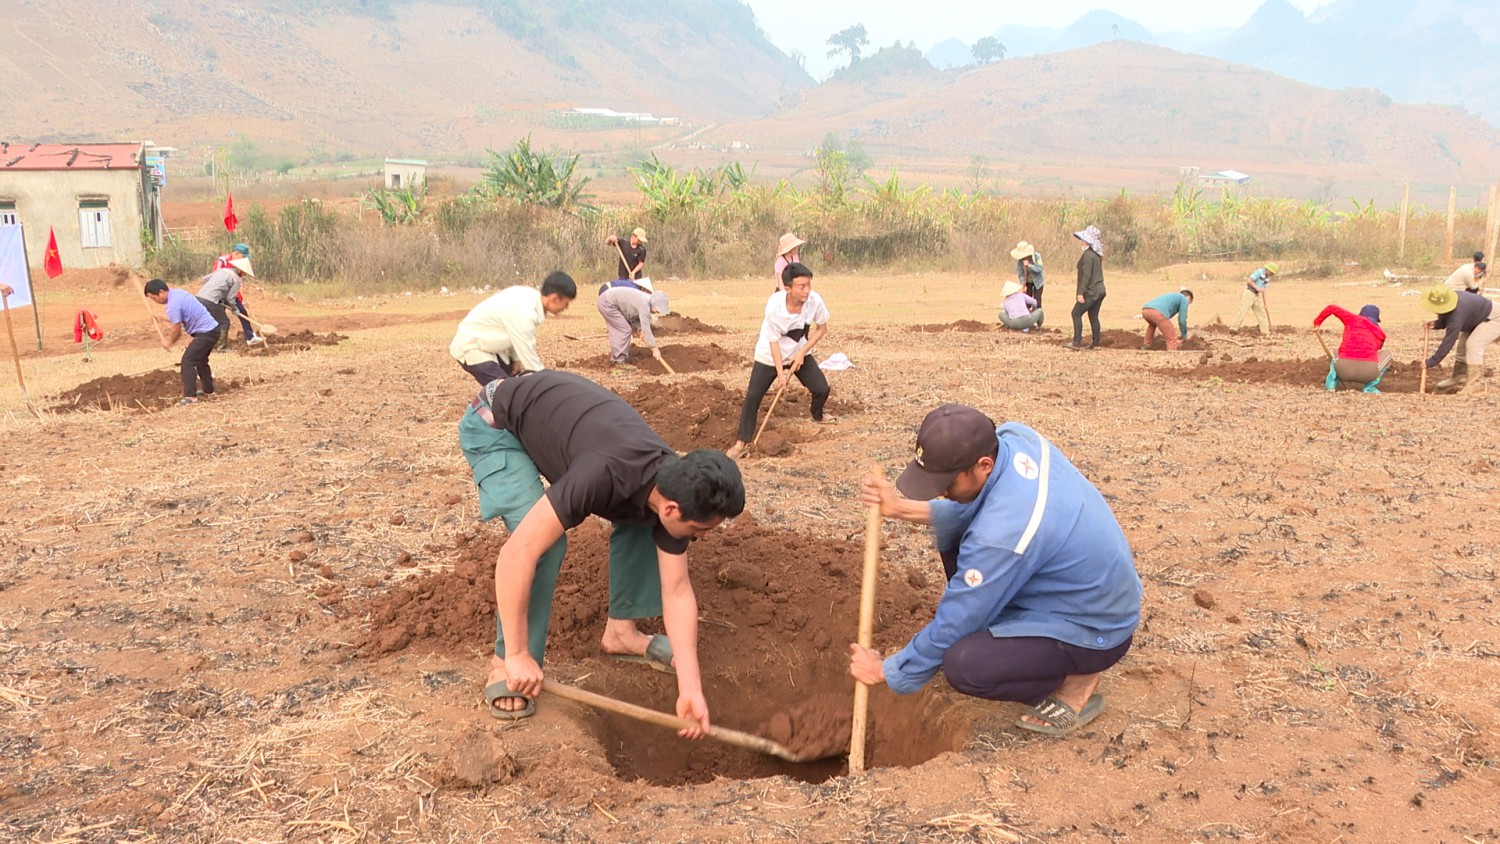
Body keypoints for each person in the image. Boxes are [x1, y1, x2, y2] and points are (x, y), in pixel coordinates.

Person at [459, 370, 745, 727]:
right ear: (675, 509)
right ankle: (507, 660)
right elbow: (517, 554)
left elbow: (677, 590)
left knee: (643, 513)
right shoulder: (603, 472)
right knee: (543, 544)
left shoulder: (672, 482)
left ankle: (621, 633)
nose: (701, 537)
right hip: (495, 426)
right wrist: (517, 654)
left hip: (562, 425)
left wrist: (691, 688)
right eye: (701, 529)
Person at [849, 403, 1141, 736]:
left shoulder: (1003, 533)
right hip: (1089, 588)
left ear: (984, 465)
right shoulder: (1015, 437)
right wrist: (900, 508)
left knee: (966, 666)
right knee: (961, 538)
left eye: (946, 482)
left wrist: (888, 670)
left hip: (1095, 626)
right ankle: (1026, 637)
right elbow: (976, 506)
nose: (940, 491)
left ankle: (1075, 683)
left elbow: (958, 620)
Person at [726, 262, 835, 459]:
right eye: (801, 287)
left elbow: (822, 329)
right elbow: (773, 342)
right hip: (769, 355)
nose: (807, 290)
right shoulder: (774, 306)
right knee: (753, 396)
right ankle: (741, 442)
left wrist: (802, 352)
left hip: (798, 351)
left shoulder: (814, 301)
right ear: (788, 288)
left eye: (808, 285)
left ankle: (818, 414)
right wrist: (780, 374)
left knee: (821, 388)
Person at [449, 272, 577, 386]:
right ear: (554, 298)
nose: (566, 307)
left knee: (517, 381)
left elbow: (515, 334)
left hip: (491, 345)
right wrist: (549, 387)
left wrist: (516, 359)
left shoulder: (530, 296)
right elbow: (530, 360)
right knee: (507, 393)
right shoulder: (525, 313)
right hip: (471, 347)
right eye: (566, 303)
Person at [144, 278, 220, 405]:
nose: (155, 301)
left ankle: (190, 397)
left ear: (161, 292)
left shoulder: (173, 304)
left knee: (188, 361)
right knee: (200, 360)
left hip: (206, 333)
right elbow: (179, 315)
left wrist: (168, 341)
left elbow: (177, 329)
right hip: (213, 330)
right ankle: (208, 390)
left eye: (154, 298)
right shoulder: (177, 294)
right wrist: (161, 318)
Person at [1422, 286, 1500, 393]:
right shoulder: (1450, 300)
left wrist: (1432, 361)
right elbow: (1447, 315)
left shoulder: (1458, 313)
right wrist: (1437, 324)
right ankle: (1458, 377)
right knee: (1462, 347)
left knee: (1474, 345)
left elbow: (1449, 340)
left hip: (1494, 318)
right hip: (1478, 318)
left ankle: (1475, 384)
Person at [1313, 304, 1391, 393]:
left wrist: (1317, 322)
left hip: (1343, 370)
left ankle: (1331, 385)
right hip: (1368, 374)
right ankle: (1369, 387)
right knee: (1386, 354)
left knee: (1336, 352)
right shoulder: (1380, 333)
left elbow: (1332, 308)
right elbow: (1376, 350)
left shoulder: (1351, 319)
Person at [596, 278, 670, 371]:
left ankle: (620, 358)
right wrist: (654, 349)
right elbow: (647, 329)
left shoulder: (646, 301)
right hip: (607, 303)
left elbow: (634, 317)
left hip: (609, 301)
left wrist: (640, 329)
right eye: (658, 309)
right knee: (624, 329)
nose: (658, 312)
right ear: (654, 304)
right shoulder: (645, 304)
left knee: (623, 329)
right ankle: (619, 361)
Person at [210, 244, 261, 346]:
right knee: (219, 318)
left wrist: (240, 299)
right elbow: (215, 278)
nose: (244, 259)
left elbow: (236, 284)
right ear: (236, 253)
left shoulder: (238, 265)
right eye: (243, 256)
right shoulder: (222, 261)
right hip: (220, 294)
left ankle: (250, 337)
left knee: (242, 311)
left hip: (231, 294)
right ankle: (214, 341)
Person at [197, 258, 251, 352]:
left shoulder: (221, 270)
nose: (245, 275)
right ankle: (221, 347)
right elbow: (231, 298)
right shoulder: (236, 279)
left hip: (199, 297)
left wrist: (215, 291)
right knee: (224, 323)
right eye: (245, 272)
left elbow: (204, 279)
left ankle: (205, 344)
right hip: (211, 300)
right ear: (240, 270)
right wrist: (235, 309)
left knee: (209, 321)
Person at [1068, 226, 1105, 350]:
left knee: (1076, 313)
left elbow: (1086, 275)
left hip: (1092, 291)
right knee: (1093, 316)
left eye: (1084, 239)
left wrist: (1080, 293)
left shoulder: (1088, 255)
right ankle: (1096, 343)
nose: (1082, 241)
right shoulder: (1095, 255)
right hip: (1100, 290)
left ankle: (1076, 342)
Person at [1233, 263, 1278, 335]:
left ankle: (1265, 331)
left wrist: (1265, 304)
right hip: (1249, 293)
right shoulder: (1259, 272)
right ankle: (1234, 328)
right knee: (1243, 311)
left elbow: (1264, 290)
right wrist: (1257, 288)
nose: (1271, 274)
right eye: (1271, 272)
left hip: (1256, 296)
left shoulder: (1267, 278)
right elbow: (1249, 281)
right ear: (1268, 270)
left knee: (1261, 313)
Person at [1010, 241, 1044, 311]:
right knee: (1027, 300)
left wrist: (1029, 266)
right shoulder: (1020, 262)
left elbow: (1039, 269)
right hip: (1028, 282)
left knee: (1037, 301)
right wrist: (1023, 285)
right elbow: (1020, 274)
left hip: (1038, 282)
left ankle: (1038, 317)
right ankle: (1027, 317)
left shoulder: (1037, 256)